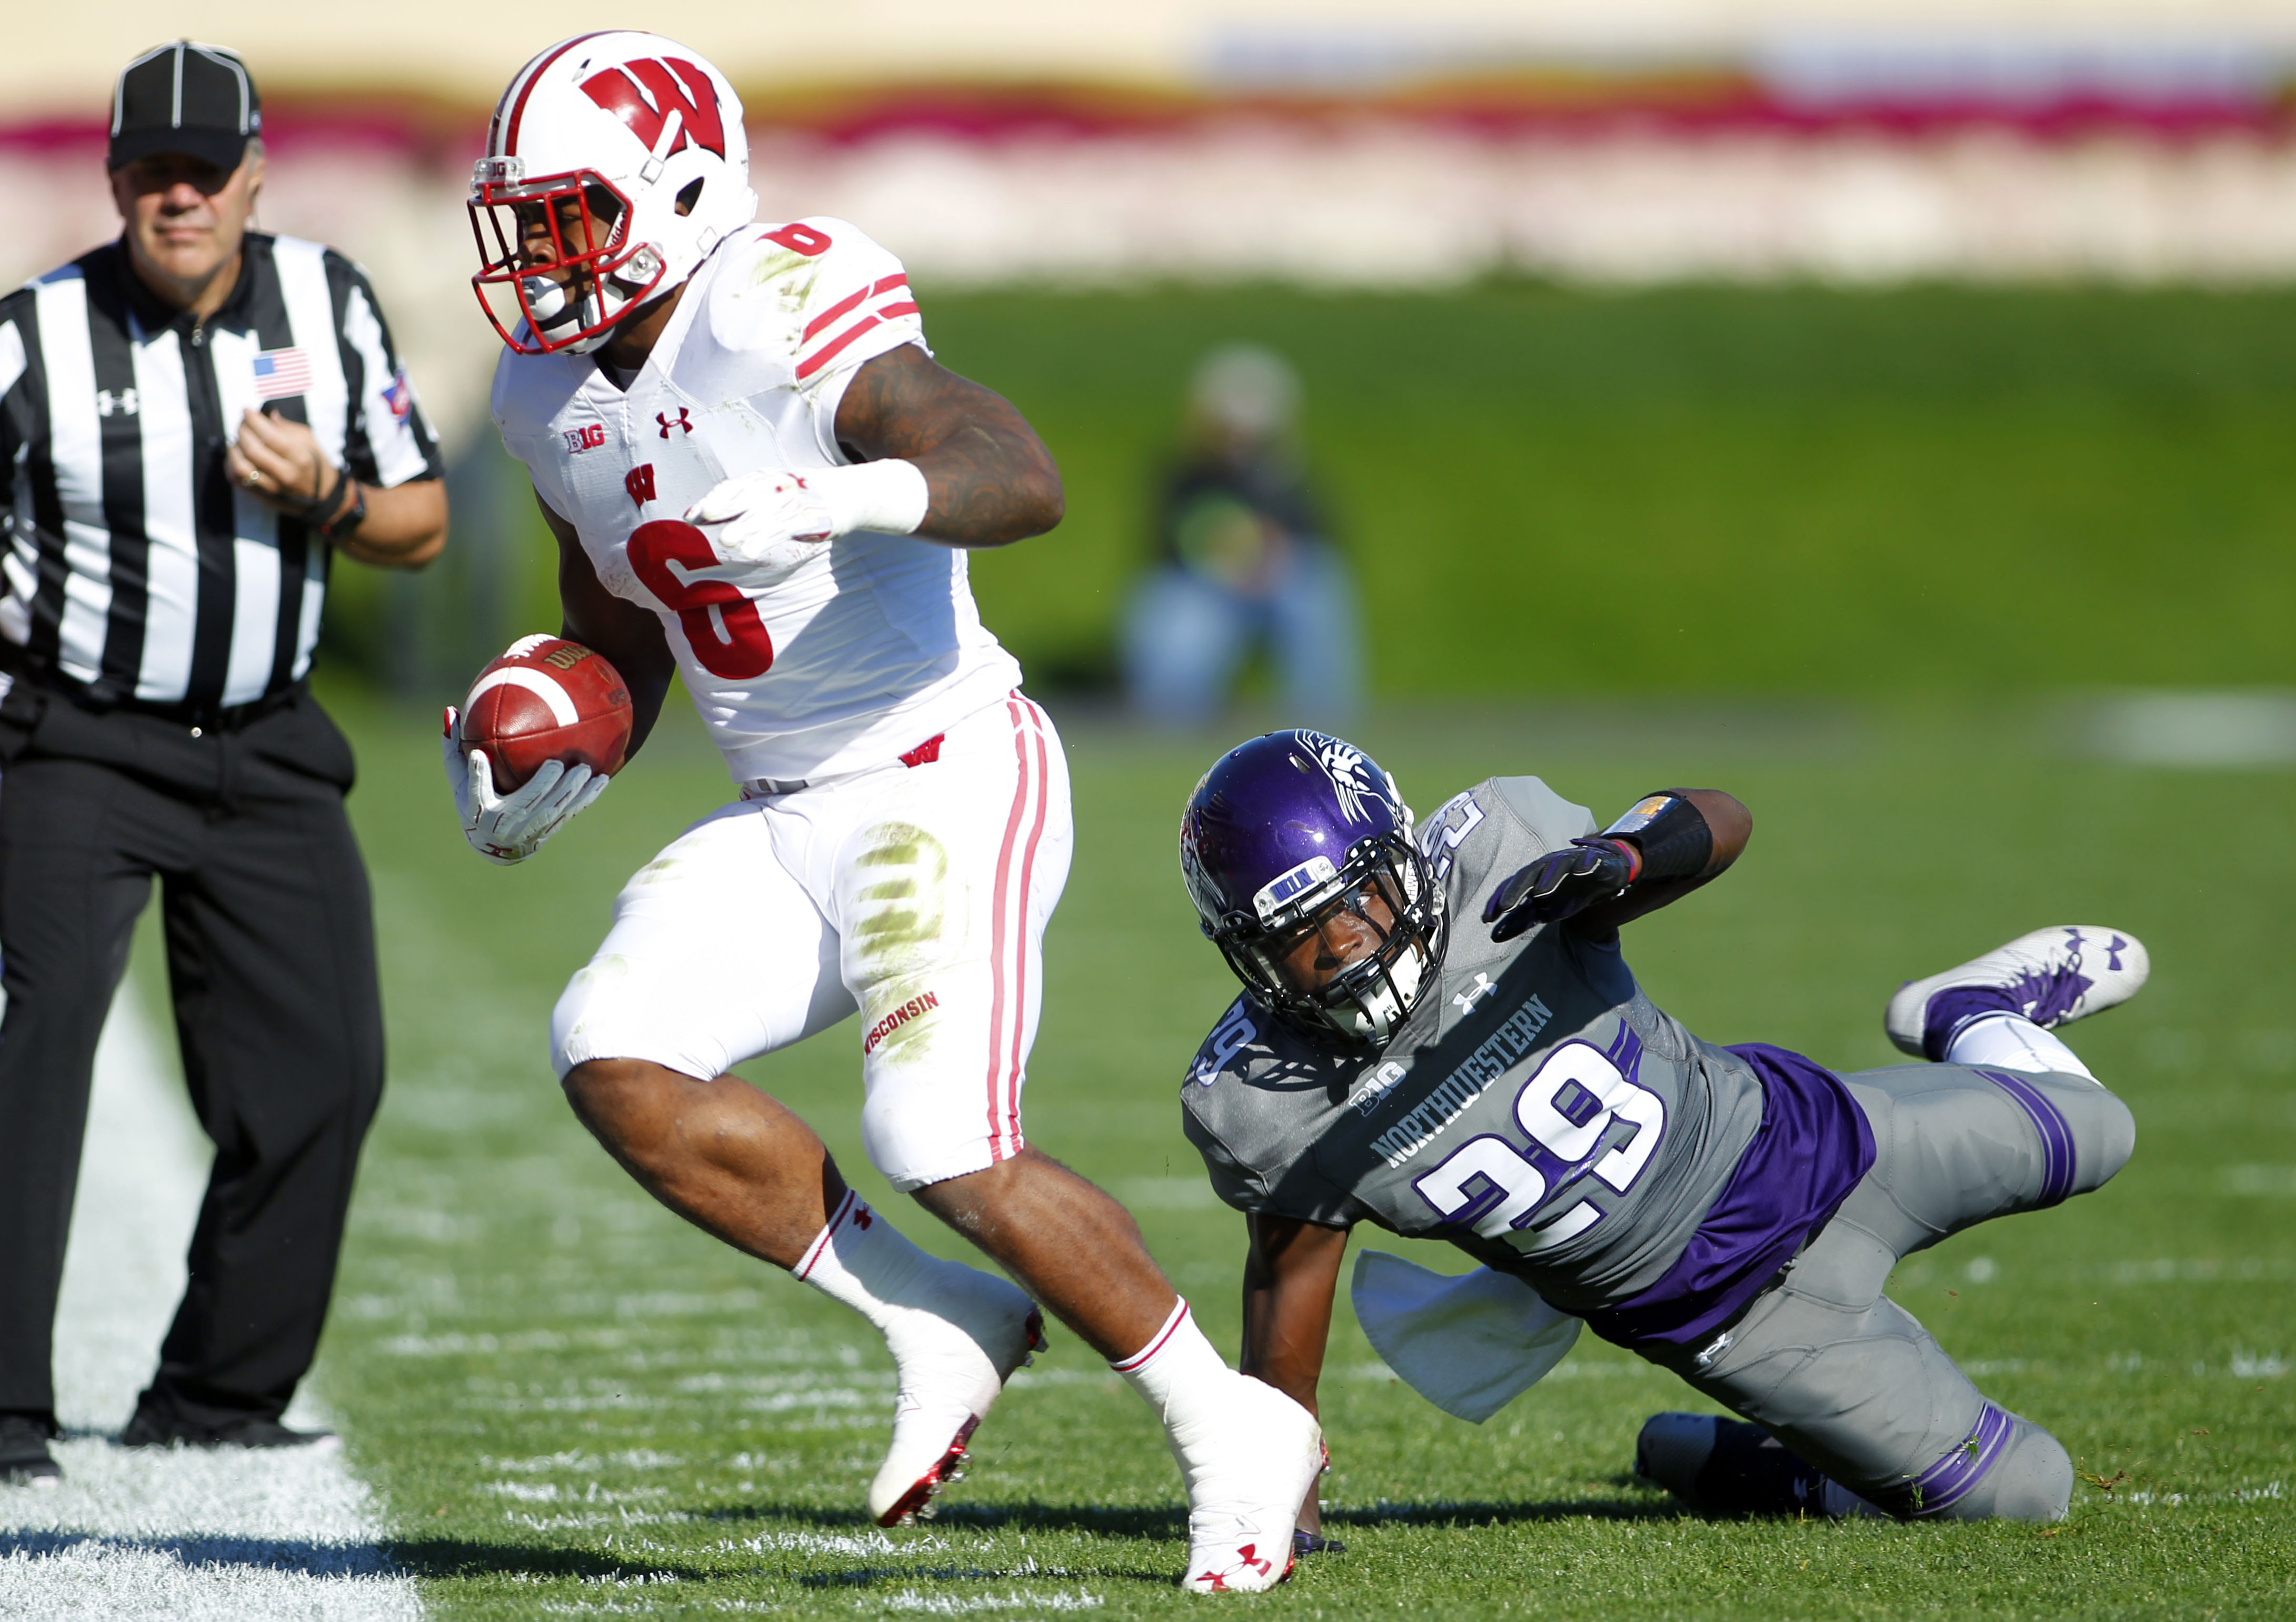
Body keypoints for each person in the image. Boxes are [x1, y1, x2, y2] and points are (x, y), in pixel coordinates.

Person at [453, 34, 1318, 1591]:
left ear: (678, 191)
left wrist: (847, 492)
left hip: (939, 766)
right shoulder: (543, 392)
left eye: (573, 214)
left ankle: (1229, 1424)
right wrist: (555, 750)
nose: (540, 256)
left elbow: (1013, 469)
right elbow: (628, 617)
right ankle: (937, 1313)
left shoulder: (781, 294)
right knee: (611, 1052)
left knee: (938, 1132)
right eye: (527, 221)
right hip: (775, 803)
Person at [1173, 729, 2144, 1533]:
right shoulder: (1273, 1106)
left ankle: (1969, 1012)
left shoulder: (1500, 864)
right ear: (1244, 958)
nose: (1342, 946)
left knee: (2104, 1132)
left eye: (1357, 899)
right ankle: (1756, 1465)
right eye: (1294, 934)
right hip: (1742, 1324)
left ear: (1402, 859)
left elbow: (1721, 817)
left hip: (1822, 1144)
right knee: (2026, 1495)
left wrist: (1620, 861)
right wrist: (1276, 1511)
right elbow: (1286, 1302)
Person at [0, 41, 447, 1487]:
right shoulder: (30, 339)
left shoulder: (327, 302)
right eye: (153, 171)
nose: (180, 195)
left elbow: (423, 519)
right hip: (72, 738)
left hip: (266, 742)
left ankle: (219, 1389)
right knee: (36, 1042)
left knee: (325, 1071)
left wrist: (326, 494)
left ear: (255, 174)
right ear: (116, 179)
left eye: (206, 170)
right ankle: (2, 1409)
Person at [1120, 346, 1360, 727]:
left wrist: (1272, 554)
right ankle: (1167, 725)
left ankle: (1325, 725)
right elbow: (1169, 541)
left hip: (1277, 584)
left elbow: (1319, 535)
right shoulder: (1185, 473)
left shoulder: (1290, 475)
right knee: (1175, 618)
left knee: (1317, 591)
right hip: (1204, 585)